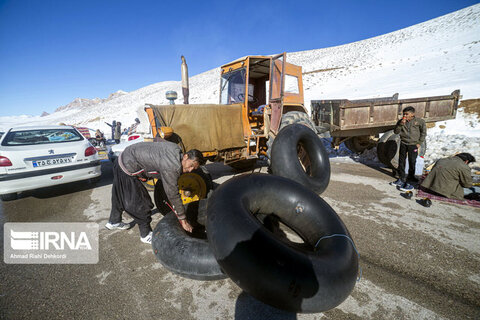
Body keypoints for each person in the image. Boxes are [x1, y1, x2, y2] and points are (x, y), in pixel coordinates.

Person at [105, 141, 203, 243]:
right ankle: (145, 234)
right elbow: (172, 193)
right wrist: (183, 219)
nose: (190, 170)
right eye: (191, 165)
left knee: (118, 195)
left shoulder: (175, 149)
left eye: (194, 168)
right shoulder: (173, 166)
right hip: (127, 166)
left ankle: (114, 221)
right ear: (186, 156)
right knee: (142, 203)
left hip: (122, 158)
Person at [390, 106, 426, 191]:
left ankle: (410, 178)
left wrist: (419, 143)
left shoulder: (419, 121)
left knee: (412, 161)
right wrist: (400, 124)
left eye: (407, 114)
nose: (405, 115)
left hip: (413, 145)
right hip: (403, 143)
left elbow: (423, 133)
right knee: (401, 161)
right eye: (404, 114)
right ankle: (401, 178)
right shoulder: (401, 121)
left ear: (412, 114)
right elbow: (396, 132)